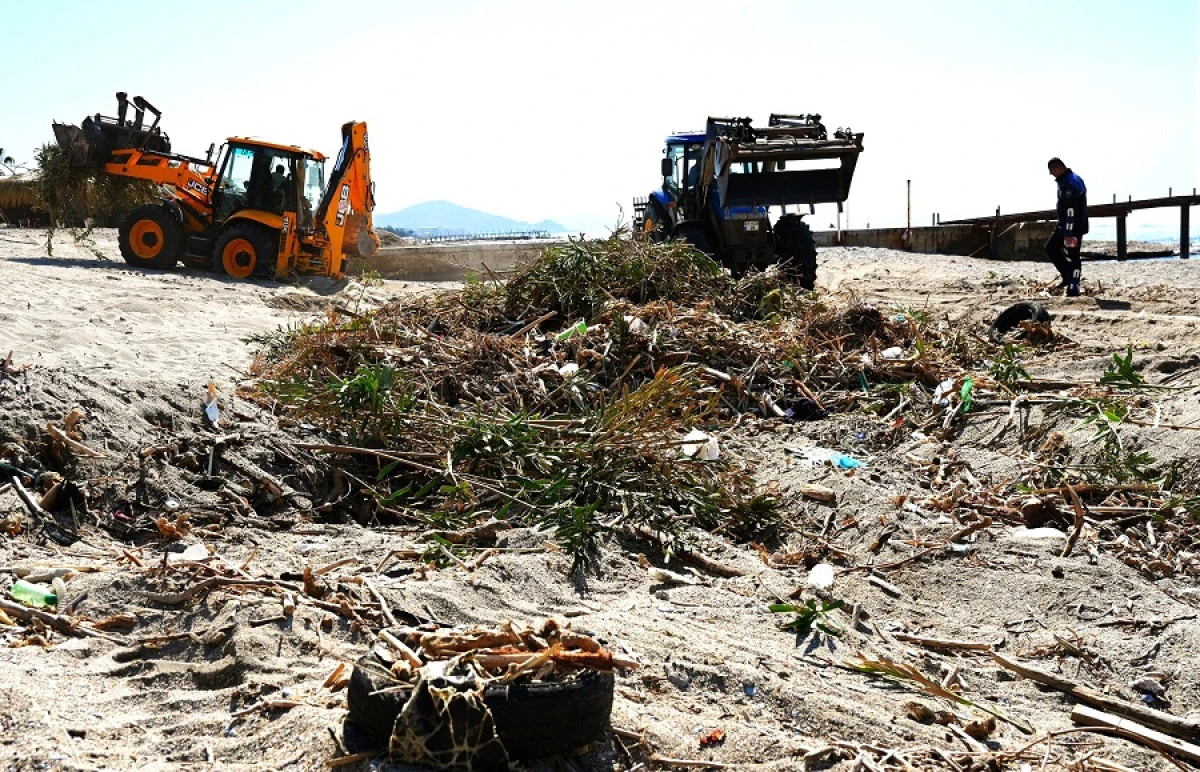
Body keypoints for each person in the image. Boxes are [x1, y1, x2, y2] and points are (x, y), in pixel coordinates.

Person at [1045, 157, 1088, 296]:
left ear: (1057, 168)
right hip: (1062, 225)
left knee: (1073, 255)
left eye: (1051, 171)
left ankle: (1073, 286)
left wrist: (1069, 233)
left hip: (1073, 227)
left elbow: (1071, 211)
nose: (1051, 174)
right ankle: (1067, 276)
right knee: (1051, 247)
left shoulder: (1071, 182)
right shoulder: (1064, 180)